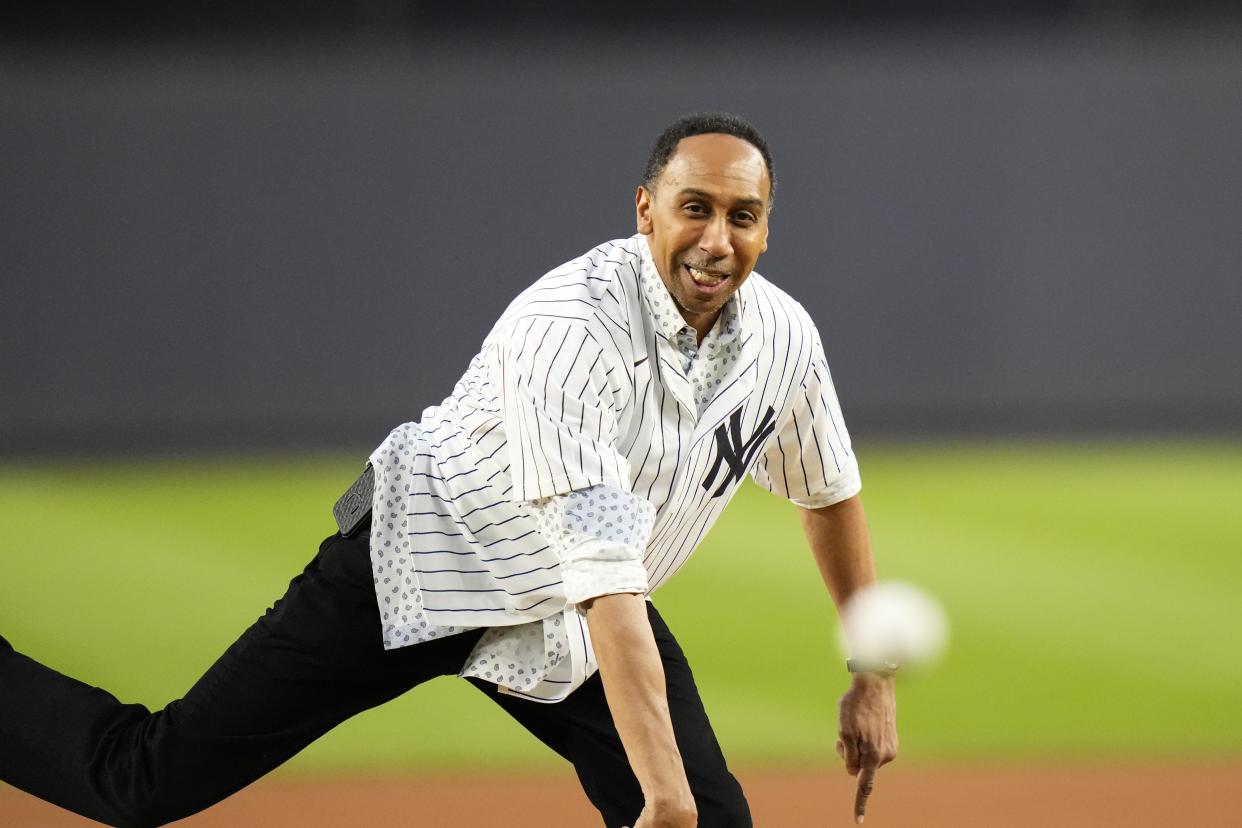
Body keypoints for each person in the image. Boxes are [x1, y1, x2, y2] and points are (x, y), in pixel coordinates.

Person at [0, 112, 897, 828]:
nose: (715, 237)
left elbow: (828, 491)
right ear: (644, 210)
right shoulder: (571, 331)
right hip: (420, 563)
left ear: (768, 230)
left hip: (559, 605)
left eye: (741, 215)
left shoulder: (783, 338)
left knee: (710, 824)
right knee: (145, 782)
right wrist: (660, 793)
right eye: (693, 206)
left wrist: (872, 674)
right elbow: (610, 589)